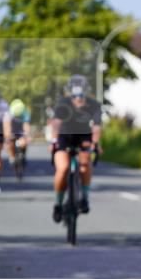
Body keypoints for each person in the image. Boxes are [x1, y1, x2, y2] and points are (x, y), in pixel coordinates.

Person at [50, 75, 102, 221]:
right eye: (75, 96)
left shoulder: (94, 105)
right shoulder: (63, 103)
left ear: (86, 94)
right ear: (70, 95)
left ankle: (84, 198)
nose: (78, 99)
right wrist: (54, 141)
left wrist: (95, 144)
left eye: (81, 95)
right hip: (64, 136)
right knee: (63, 168)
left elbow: (96, 127)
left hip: (83, 136)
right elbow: (57, 124)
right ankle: (58, 204)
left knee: (85, 164)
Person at [7, 99, 31, 167]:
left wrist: (27, 136)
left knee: (24, 142)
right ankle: (12, 157)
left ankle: (23, 154)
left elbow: (26, 126)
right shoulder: (9, 113)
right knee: (9, 142)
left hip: (21, 129)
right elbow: (7, 125)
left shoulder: (25, 113)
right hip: (13, 128)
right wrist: (8, 135)